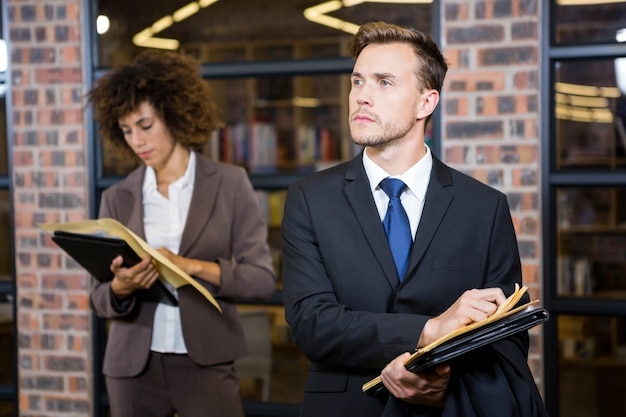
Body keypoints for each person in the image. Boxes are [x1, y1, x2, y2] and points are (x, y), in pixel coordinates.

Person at [281, 21, 548, 417]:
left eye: (384, 82)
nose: (362, 97)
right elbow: (311, 323)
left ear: (426, 102)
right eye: (358, 82)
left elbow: (506, 341)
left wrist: (443, 385)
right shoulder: (309, 198)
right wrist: (429, 330)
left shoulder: (484, 208)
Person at [87, 50, 276, 417]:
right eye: (126, 131)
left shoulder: (229, 183)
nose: (136, 141)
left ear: (173, 114)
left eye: (145, 125)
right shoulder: (117, 198)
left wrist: (191, 267)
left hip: (206, 362)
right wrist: (121, 288)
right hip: (132, 368)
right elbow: (97, 300)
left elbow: (261, 279)